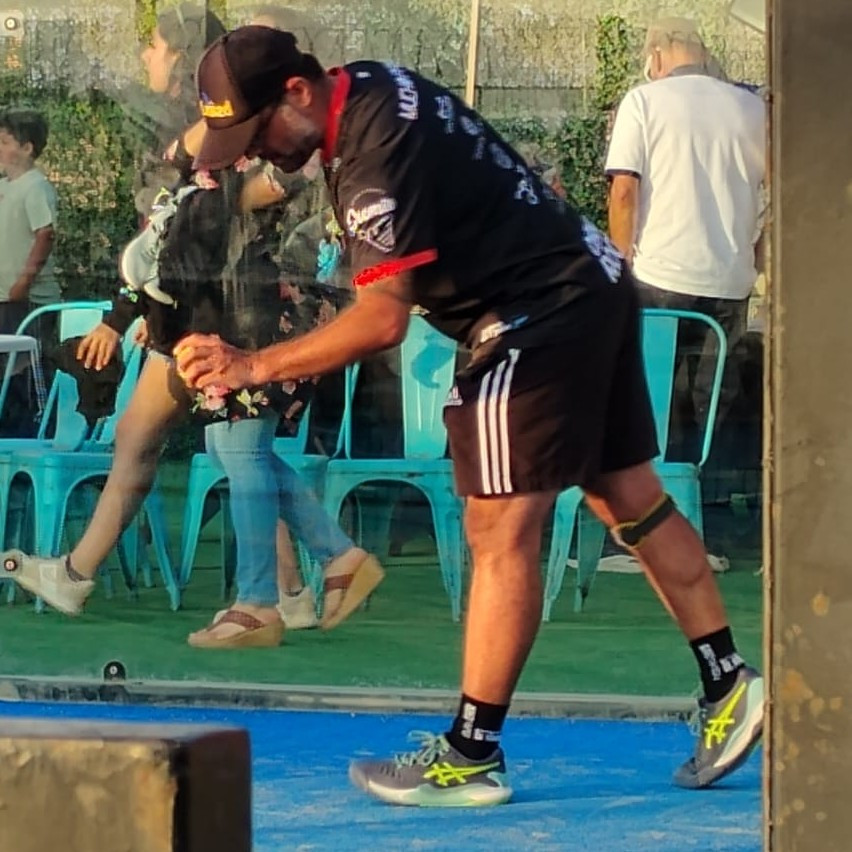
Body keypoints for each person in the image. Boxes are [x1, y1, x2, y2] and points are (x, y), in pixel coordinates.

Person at [175, 25, 764, 804]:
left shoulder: (372, 159)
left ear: (298, 90)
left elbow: (382, 320)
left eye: (257, 133)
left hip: (534, 312)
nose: (255, 152)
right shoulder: (366, 84)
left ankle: (471, 753)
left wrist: (253, 365)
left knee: (498, 527)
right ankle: (729, 683)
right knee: (626, 495)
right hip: (589, 284)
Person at [1, 8, 379, 645]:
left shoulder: (267, 136)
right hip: (210, 314)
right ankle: (311, 573)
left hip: (246, 316)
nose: (145, 56)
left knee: (238, 448)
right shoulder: (205, 133)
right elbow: (176, 220)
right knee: (228, 447)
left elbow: (240, 206)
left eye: (154, 45)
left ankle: (272, 593)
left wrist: (144, 301)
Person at [606, 18, 766, 460]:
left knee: (653, 396)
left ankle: (656, 483)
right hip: (730, 280)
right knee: (715, 401)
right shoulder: (751, 109)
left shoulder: (644, 102)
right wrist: (760, 252)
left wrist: (620, 259)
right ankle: (709, 486)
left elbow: (624, 191)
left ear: (656, 55)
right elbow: (784, 189)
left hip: (659, 276)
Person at [0, 107, 60, 436]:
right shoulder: (5, 186)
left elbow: (45, 233)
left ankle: (35, 434)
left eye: (5, 142)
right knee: (4, 371)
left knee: (25, 371)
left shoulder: (35, 186)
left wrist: (24, 281)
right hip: (4, 299)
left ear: (27, 148)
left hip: (29, 301)